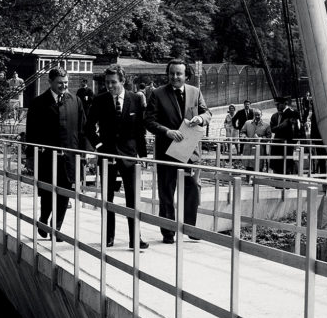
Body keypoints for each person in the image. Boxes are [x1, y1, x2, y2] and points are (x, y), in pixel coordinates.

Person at [144, 58, 212, 244]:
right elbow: (149, 121)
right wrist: (167, 131)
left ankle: (190, 228)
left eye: (179, 73)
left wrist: (200, 118)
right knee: (166, 192)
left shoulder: (195, 92)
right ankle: (168, 231)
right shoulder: (157, 94)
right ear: (168, 74)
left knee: (192, 191)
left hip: (189, 152)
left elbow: (208, 113)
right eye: (172, 73)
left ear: (186, 75)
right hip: (167, 151)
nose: (175, 77)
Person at [86, 65, 148, 250]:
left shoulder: (136, 99)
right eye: (107, 83)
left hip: (129, 156)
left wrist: (143, 155)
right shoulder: (99, 100)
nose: (110, 86)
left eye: (113, 82)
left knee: (132, 198)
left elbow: (139, 131)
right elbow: (88, 127)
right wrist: (99, 146)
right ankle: (109, 237)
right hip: (107, 156)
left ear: (122, 81)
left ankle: (135, 237)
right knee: (108, 198)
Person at [25, 68, 87, 239]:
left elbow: (82, 130)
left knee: (65, 193)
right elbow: (31, 132)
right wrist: (30, 156)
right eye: (60, 83)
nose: (63, 86)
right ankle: (44, 219)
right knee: (47, 192)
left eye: (66, 82)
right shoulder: (38, 103)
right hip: (47, 157)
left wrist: (83, 155)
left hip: (69, 156)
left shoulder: (75, 101)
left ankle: (56, 227)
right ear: (50, 82)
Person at [269, 97, 300, 175]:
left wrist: (293, 141)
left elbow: (293, 128)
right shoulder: (276, 115)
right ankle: (279, 181)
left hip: (286, 142)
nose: (277, 106)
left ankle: (286, 181)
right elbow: (273, 128)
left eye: (278, 104)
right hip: (279, 143)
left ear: (284, 104)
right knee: (279, 162)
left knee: (287, 162)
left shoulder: (291, 113)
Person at [240, 108, 271, 173]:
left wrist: (261, 138)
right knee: (248, 167)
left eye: (258, 115)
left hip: (259, 149)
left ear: (261, 115)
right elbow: (242, 132)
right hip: (249, 148)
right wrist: (245, 137)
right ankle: (248, 181)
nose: (257, 116)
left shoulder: (266, 125)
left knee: (258, 167)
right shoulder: (247, 123)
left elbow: (269, 137)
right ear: (253, 115)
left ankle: (257, 181)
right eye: (255, 115)